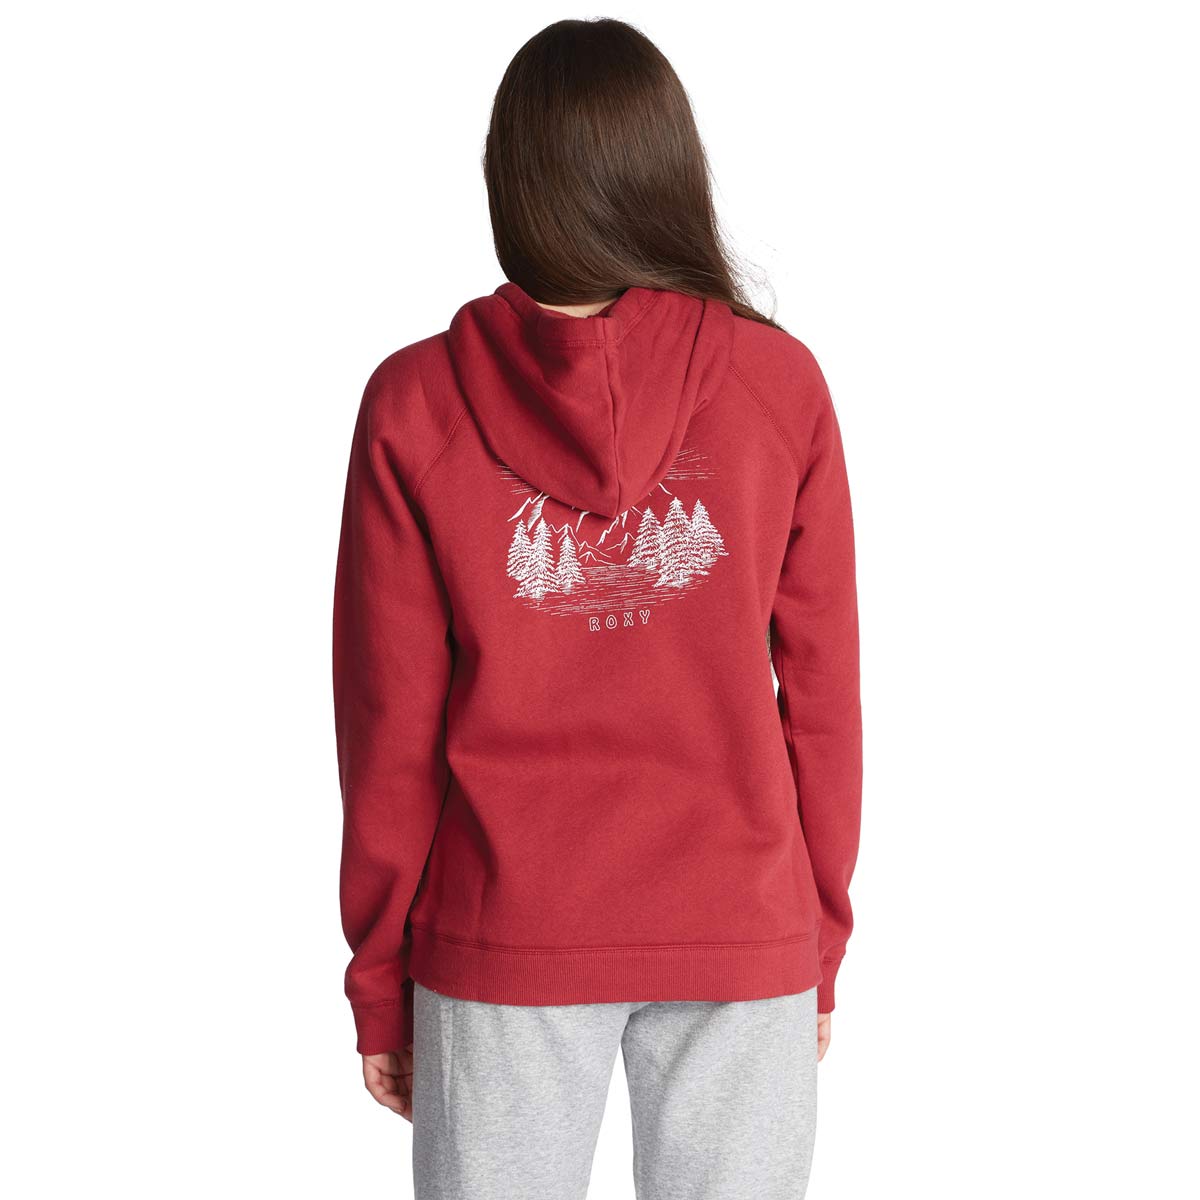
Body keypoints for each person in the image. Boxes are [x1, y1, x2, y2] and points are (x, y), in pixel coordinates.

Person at [333, 17, 861, 1200]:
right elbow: (826, 700)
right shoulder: (779, 385)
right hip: (740, 917)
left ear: (509, 180)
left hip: (506, 925)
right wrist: (815, 938)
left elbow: (387, 724)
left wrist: (381, 975)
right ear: (669, 171)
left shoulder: (415, 403)